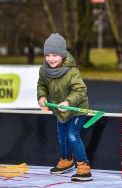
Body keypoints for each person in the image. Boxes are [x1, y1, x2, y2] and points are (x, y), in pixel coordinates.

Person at [37, 33, 92, 182]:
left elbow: (80, 90)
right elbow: (42, 85)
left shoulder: (72, 72)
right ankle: (67, 161)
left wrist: (68, 102)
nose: (50, 59)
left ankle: (84, 167)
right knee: (62, 138)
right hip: (60, 111)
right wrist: (42, 97)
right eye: (47, 55)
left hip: (76, 110)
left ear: (62, 55)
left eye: (54, 55)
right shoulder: (44, 70)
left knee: (72, 136)